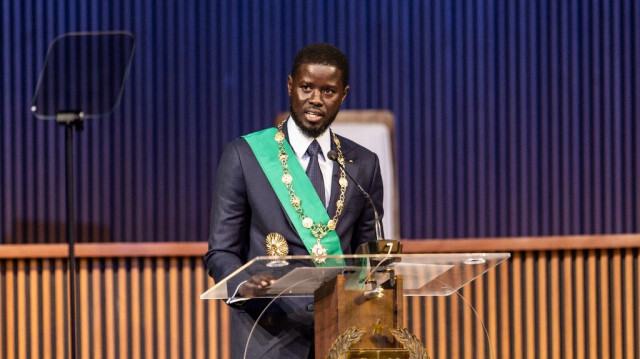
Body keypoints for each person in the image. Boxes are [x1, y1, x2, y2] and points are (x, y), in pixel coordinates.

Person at [204, 43, 384, 359]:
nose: (315, 99)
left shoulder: (363, 164)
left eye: (328, 91)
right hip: (266, 333)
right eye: (306, 88)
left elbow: (364, 256)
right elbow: (221, 251)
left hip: (340, 335)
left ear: (343, 95)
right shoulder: (245, 156)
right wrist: (243, 286)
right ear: (290, 86)